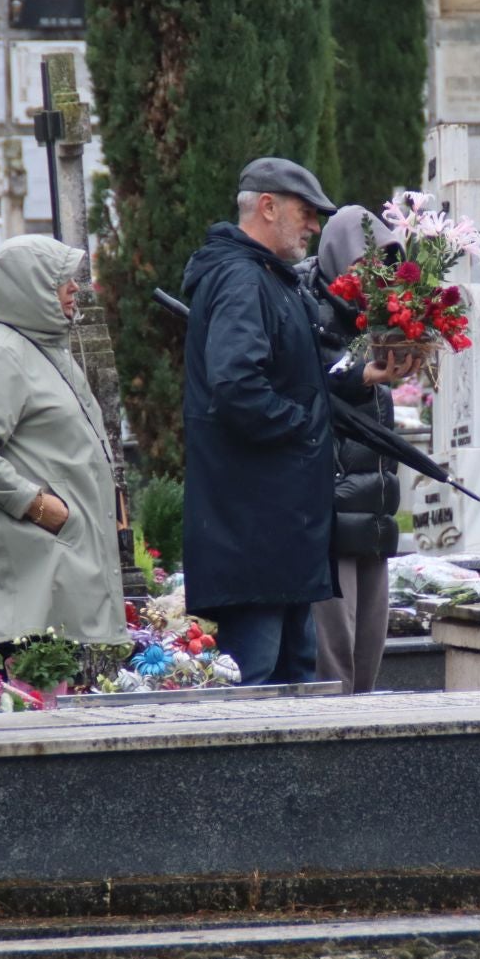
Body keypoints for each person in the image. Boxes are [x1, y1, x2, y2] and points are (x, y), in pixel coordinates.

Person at [182, 158, 340, 683]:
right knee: (256, 687)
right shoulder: (242, 279)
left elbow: (290, 379)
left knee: (295, 684)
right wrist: (303, 427)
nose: (314, 226)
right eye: (306, 212)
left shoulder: (267, 278)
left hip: (278, 534)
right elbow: (237, 388)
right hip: (255, 532)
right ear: (268, 207)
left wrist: (354, 381)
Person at [0, 235, 125, 644]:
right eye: (61, 279)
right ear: (31, 287)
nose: (74, 287)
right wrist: (40, 506)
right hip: (35, 569)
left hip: (59, 563)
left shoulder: (42, 347)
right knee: (38, 679)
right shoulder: (4, 353)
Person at [299, 205, 421, 693]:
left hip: (373, 506)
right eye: (364, 264)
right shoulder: (308, 307)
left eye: (386, 265)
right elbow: (311, 379)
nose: (376, 277)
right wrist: (360, 374)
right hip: (331, 508)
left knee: (369, 649)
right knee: (335, 658)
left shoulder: (379, 318)